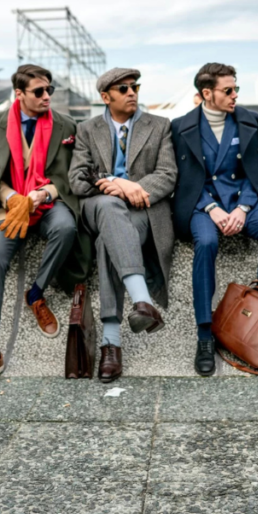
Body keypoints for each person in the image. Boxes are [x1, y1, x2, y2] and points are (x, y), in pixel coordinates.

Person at [0, 64, 84, 388]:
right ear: (18, 94)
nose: (47, 95)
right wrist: (10, 199)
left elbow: (70, 176)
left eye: (49, 89)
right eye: (39, 91)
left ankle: (35, 294)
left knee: (66, 228)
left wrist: (43, 192)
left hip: (49, 203)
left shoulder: (66, 125)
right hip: (8, 209)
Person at [171, 62, 258, 376]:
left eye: (236, 88)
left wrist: (243, 208)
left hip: (242, 201)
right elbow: (185, 179)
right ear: (207, 93)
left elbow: (257, 172)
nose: (235, 95)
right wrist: (212, 208)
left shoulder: (250, 121)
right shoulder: (181, 126)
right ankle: (204, 334)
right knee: (206, 241)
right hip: (203, 205)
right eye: (228, 90)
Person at [68, 68, 177, 382]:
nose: (132, 92)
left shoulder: (159, 125)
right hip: (98, 205)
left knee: (108, 240)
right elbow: (77, 179)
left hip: (142, 210)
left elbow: (167, 175)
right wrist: (116, 183)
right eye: (124, 88)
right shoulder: (87, 129)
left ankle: (110, 344)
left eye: (135, 87)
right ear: (106, 97)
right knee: (109, 206)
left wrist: (135, 189)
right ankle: (141, 300)